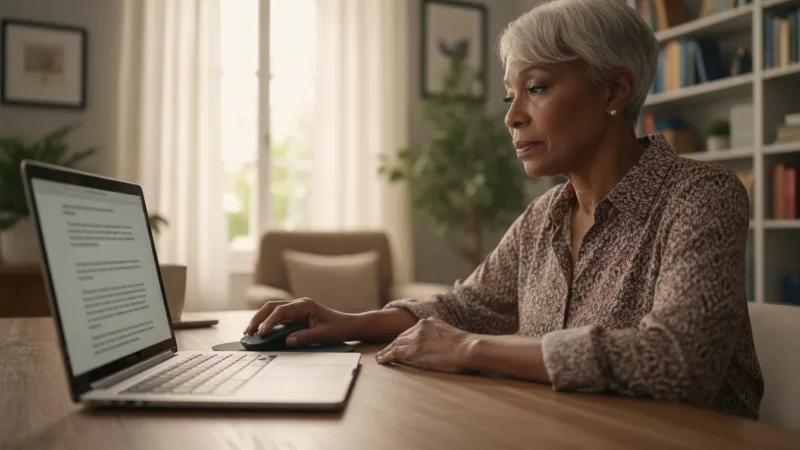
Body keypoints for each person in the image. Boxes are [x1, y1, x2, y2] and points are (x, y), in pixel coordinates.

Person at [244, 0, 763, 419]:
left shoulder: (700, 195)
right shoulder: (543, 219)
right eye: (510, 96)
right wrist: (344, 321)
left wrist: (471, 350)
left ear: (615, 88)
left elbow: (678, 359)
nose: (513, 116)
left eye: (536, 88)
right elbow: (463, 307)